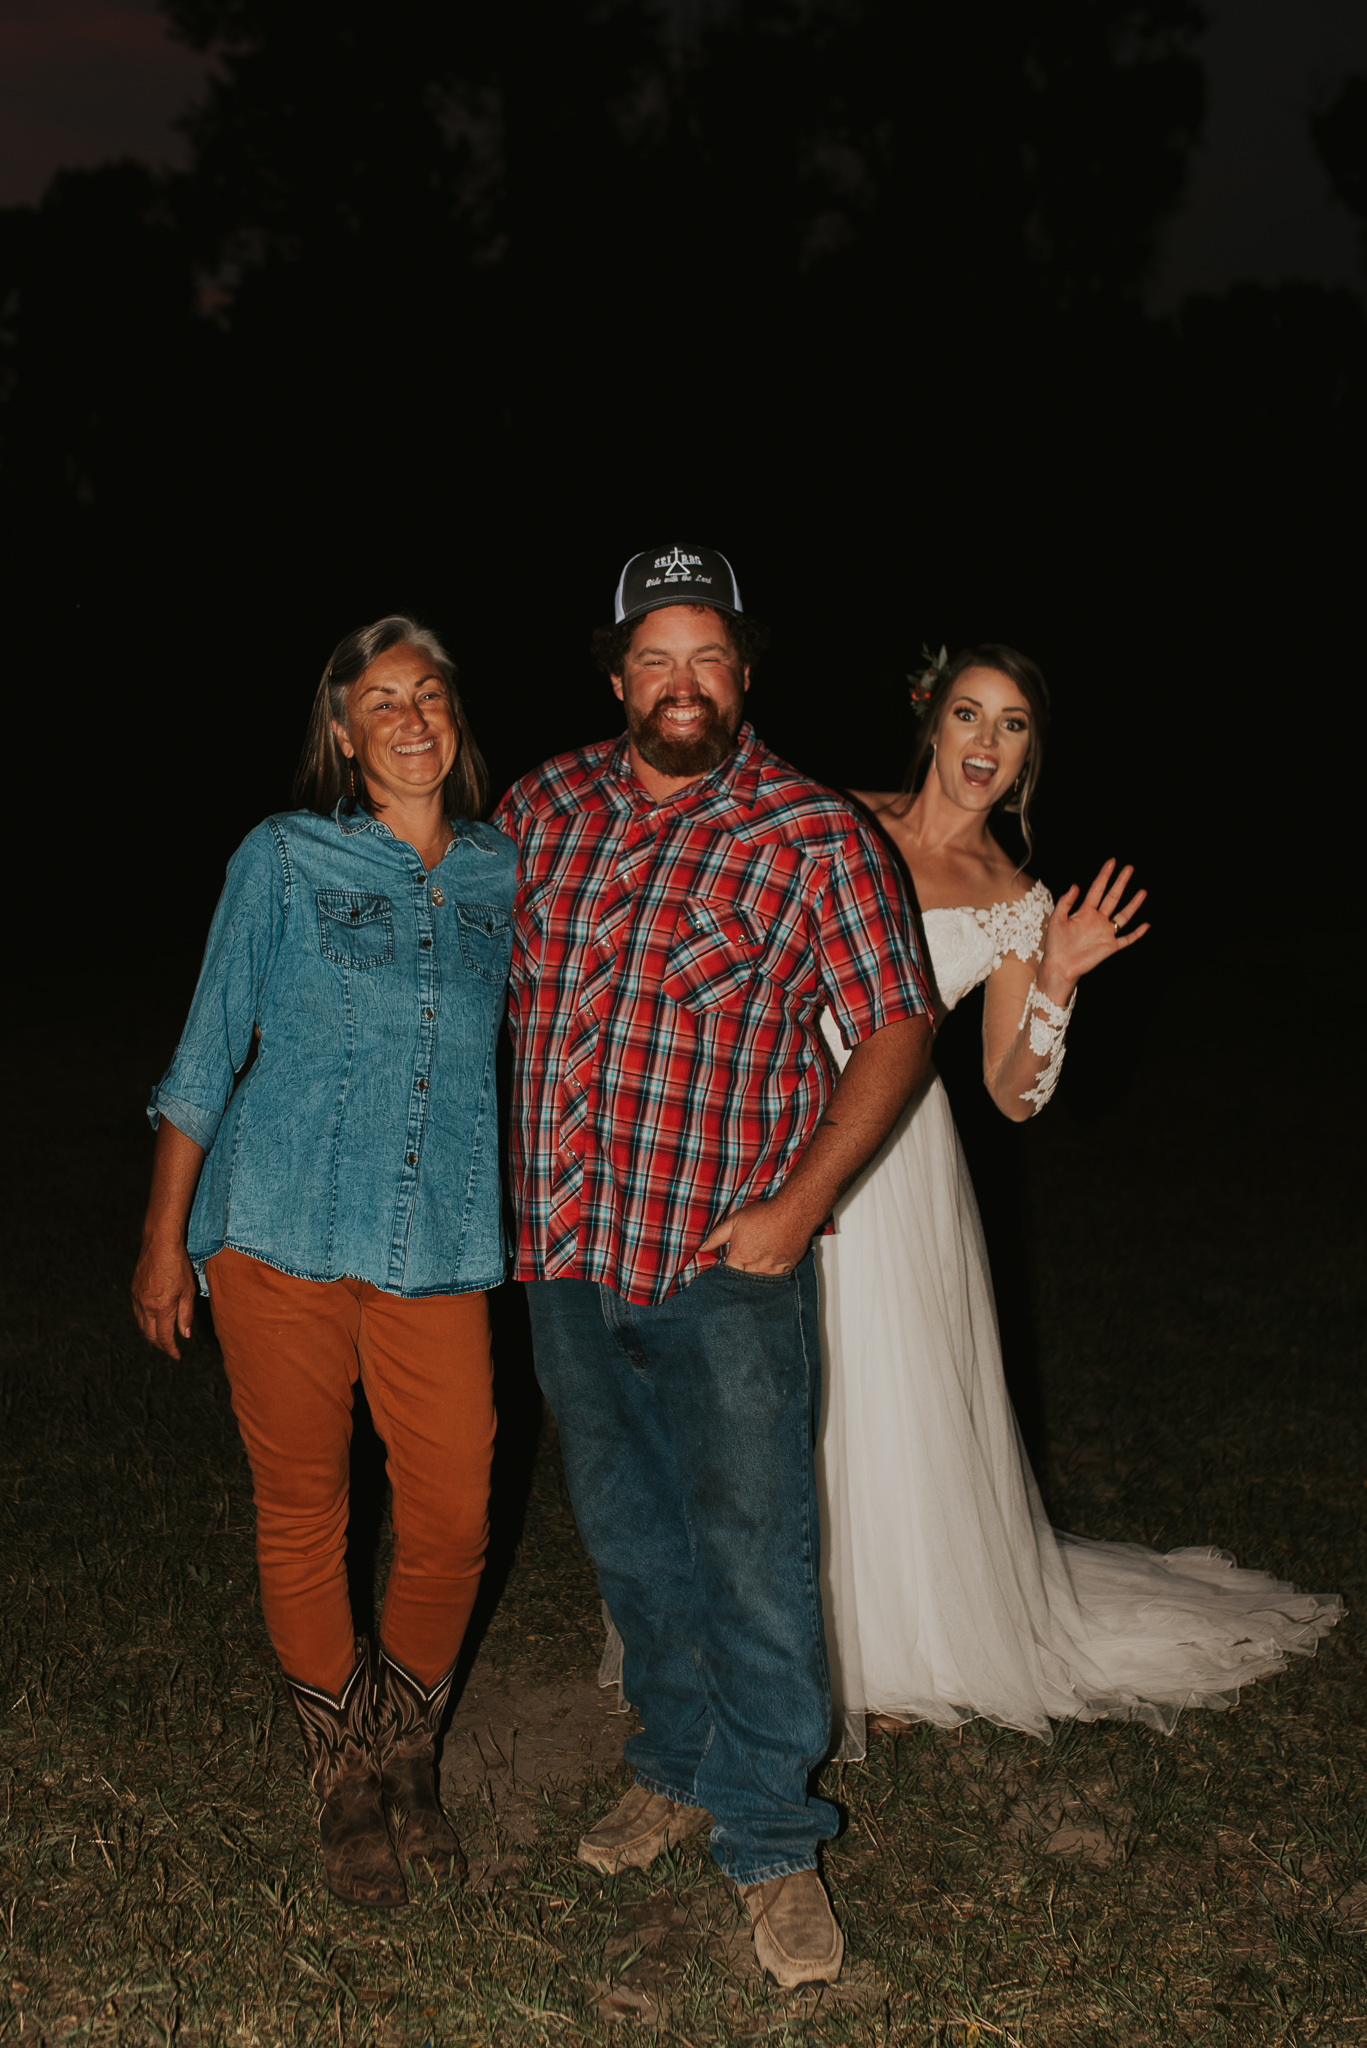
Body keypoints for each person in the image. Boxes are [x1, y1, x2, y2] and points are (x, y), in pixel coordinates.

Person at [492, 546, 933, 1987]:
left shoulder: (810, 834)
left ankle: (770, 1835)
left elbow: (895, 1025)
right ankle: (674, 1764)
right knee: (629, 1536)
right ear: (616, 674)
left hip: (722, 1260)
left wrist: (799, 1205)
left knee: (752, 1552)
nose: (680, 685)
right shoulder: (540, 809)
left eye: (707, 658)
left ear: (743, 674)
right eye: (653, 659)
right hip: (564, 1248)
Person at [817, 642, 1342, 1755]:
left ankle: (887, 1642)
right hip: (774, 1117)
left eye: (1011, 725)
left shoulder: (1015, 900)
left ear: (1028, 754)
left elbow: (1010, 1094)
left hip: (895, 1158)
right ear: (930, 720)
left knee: (880, 1391)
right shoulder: (835, 818)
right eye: (969, 713)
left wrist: (1054, 977)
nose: (985, 742)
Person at [131, 616, 516, 1906]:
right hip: (279, 1222)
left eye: (429, 693)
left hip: (440, 1235)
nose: (410, 717)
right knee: (304, 1505)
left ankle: (407, 1743)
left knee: (453, 1510)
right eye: (380, 700)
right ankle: (347, 1779)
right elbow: (206, 1050)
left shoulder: (502, 872)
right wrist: (162, 1241)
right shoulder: (284, 855)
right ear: (342, 735)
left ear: (454, 717)